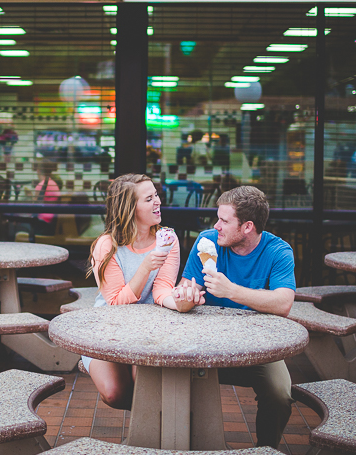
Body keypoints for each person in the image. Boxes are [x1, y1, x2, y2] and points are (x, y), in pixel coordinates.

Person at [173, 185, 296, 448]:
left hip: (257, 347)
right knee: (171, 379)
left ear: (248, 227)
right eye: (217, 218)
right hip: (203, 343)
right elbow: (186, 288)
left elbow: (284, 303)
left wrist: (231, 291)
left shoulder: (278, 252)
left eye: (224, 221)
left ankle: (266, 450)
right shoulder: (207, 241)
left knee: (279, 393)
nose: (216, 226)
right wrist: (186, 297)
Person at [85, 173, 192, 410]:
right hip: (108, 328)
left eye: (156, 196)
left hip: (148, 331)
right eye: (148, 199)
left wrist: (180, 303)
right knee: (116, 394)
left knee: (145, 384)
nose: (158, 202)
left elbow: (162, 289)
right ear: (129, 208)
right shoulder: (107, 245)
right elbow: (114, 304)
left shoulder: (168, 239)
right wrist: (145, 267)